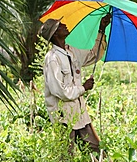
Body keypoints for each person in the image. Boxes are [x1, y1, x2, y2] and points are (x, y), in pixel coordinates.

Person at [39, 14, 111, 156]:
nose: (64, 25)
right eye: (59, 26)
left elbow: (93, 54)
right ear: (54, 35)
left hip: (79, 113)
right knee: (66, 155)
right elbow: (60, 91)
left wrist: (101, 30)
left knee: (97, 150)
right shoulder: (52, 59)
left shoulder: (71, 51)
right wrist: (83, 88)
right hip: (63, 118)